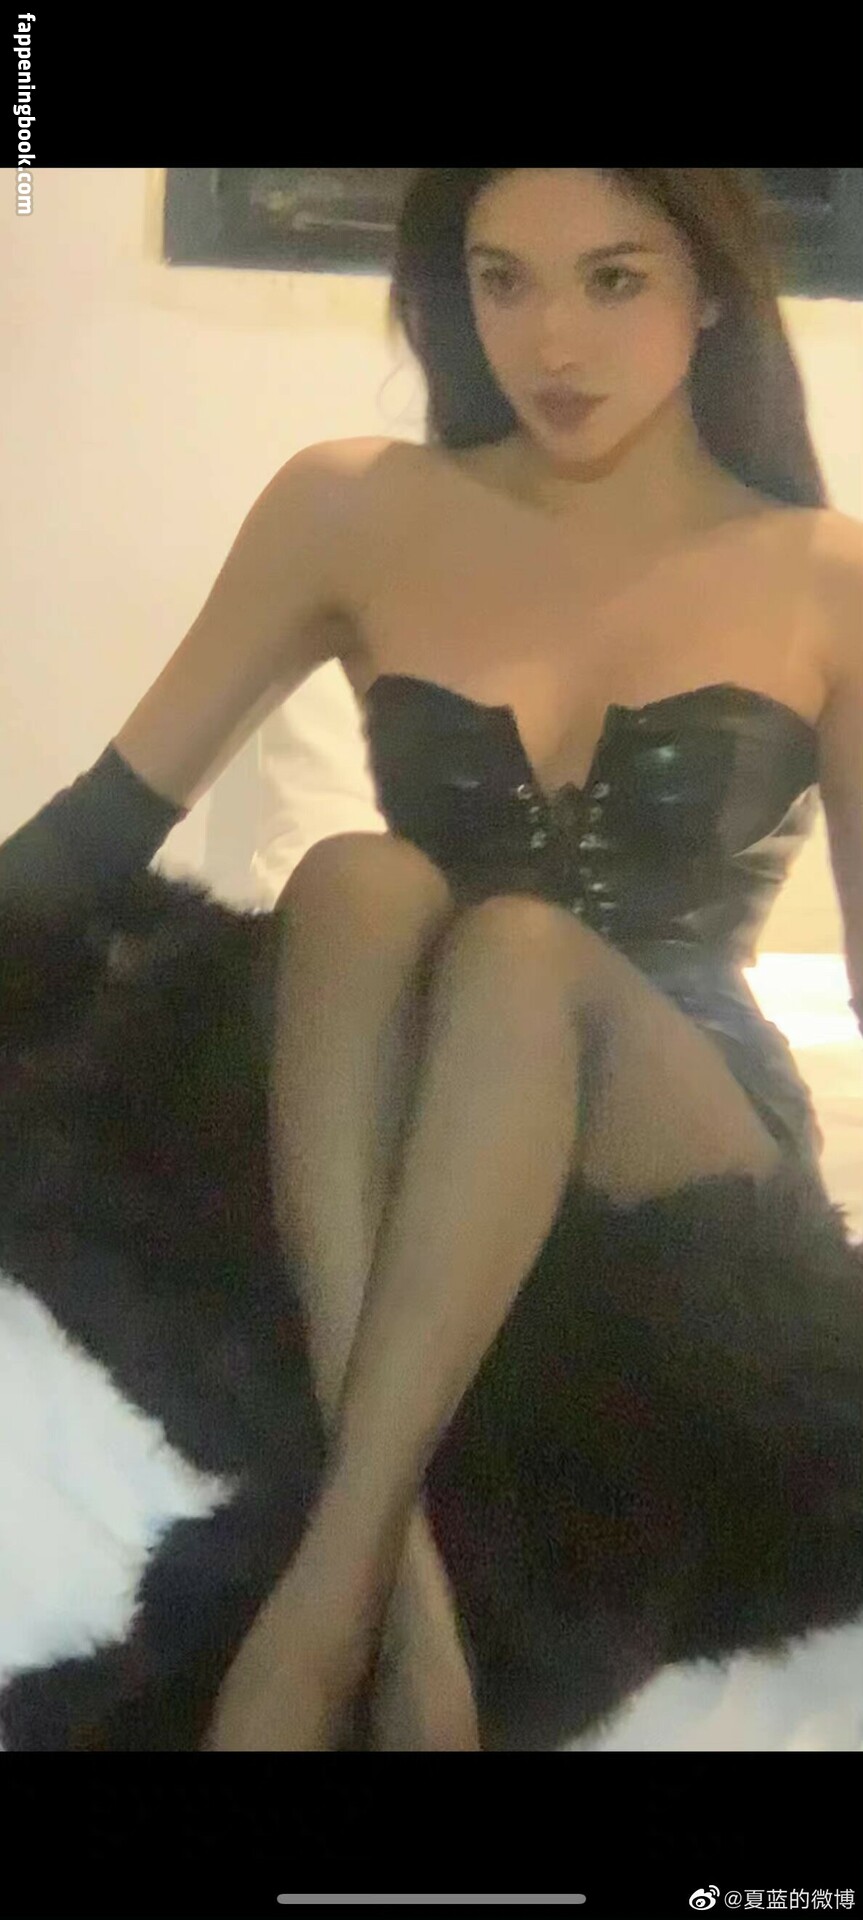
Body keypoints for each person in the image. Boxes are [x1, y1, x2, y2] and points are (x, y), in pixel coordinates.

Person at [1, 168, 861, 1753]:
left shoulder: (826, 573)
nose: (553, 338)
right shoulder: (352, 506)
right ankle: (397, 1587)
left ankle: (324, 1599)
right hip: (402, 1081)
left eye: (613, 279)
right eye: (502, 278)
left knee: (521, 948)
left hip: (678, 1116)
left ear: (711, 291)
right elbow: (99, 830)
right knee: (358, 875)